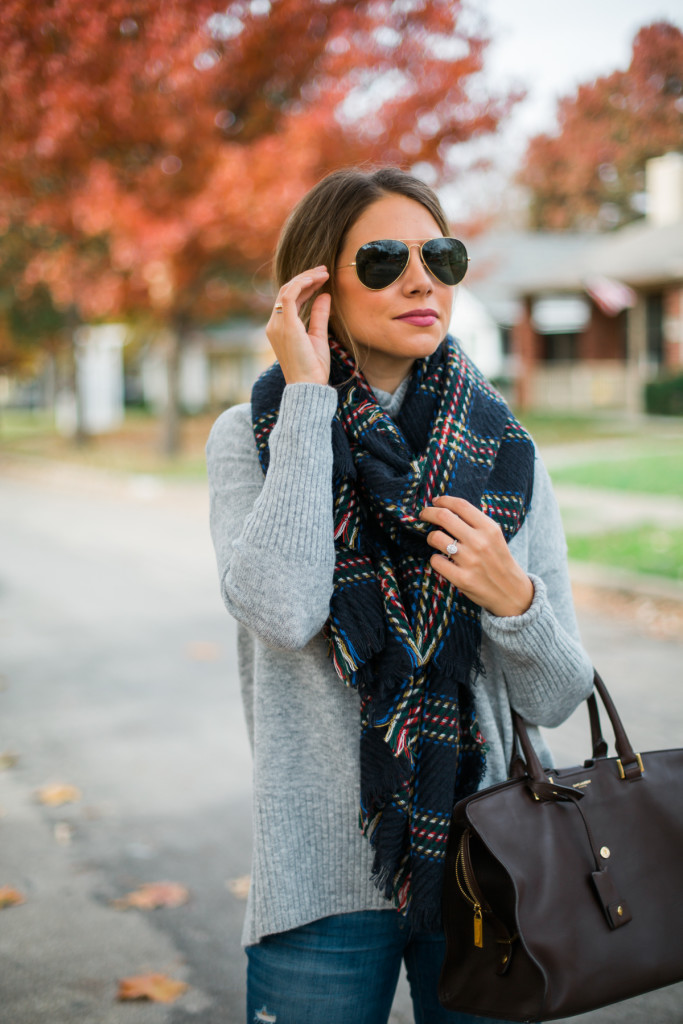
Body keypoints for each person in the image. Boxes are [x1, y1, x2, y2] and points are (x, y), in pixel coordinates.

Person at [206, 166, 594, 1024]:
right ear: (315, 286)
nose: (421, 280)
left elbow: (557, 695)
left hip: (486, 866)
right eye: (383, 260)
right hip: (319, 882)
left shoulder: (506, 453)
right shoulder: (256, 437)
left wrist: (513, 599)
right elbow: (282, 610)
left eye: (439, 256)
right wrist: (307, 400)